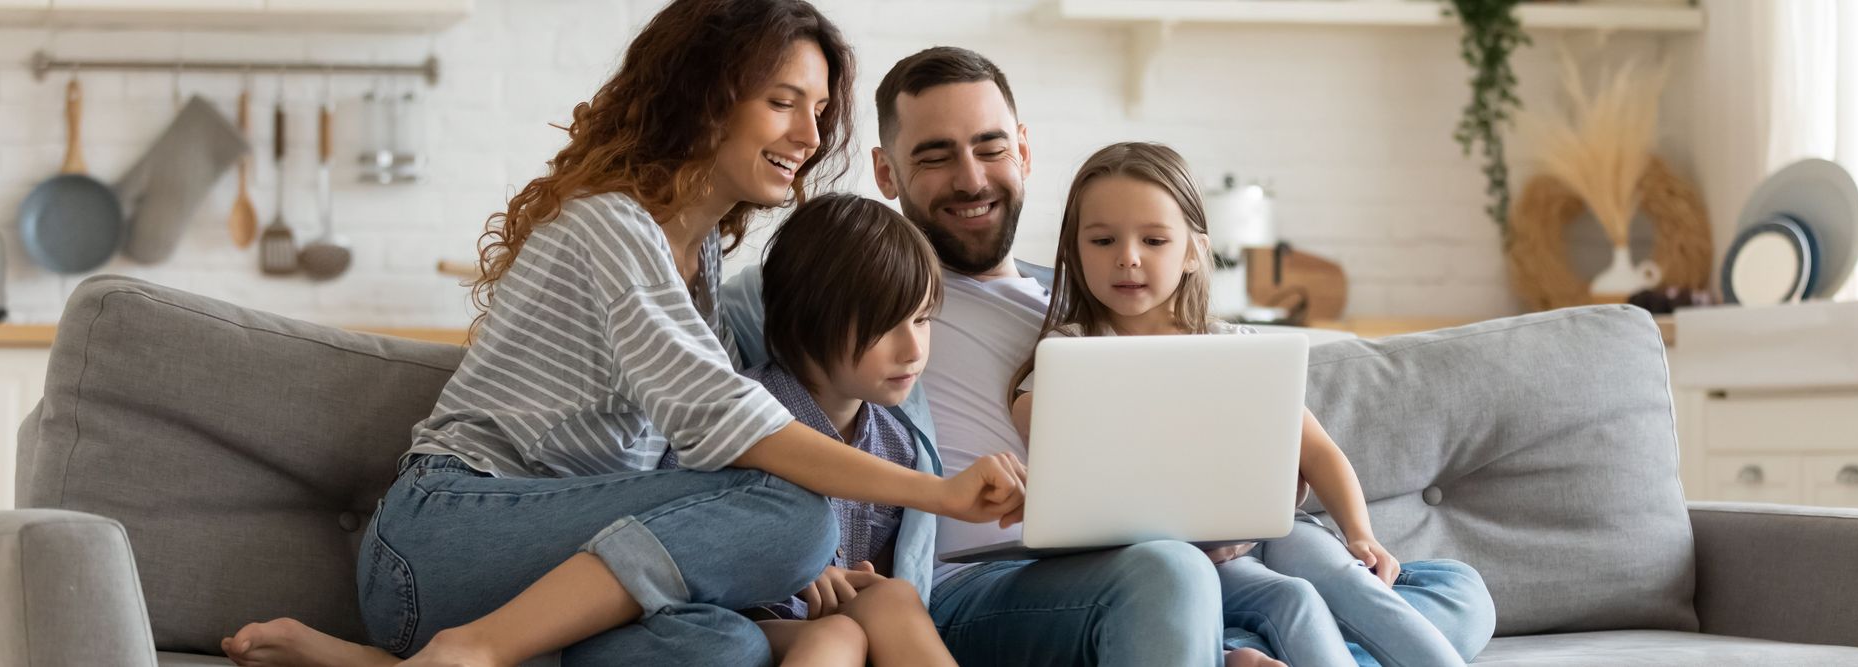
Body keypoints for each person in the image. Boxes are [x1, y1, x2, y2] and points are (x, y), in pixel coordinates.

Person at [218, 3, 1023, 666]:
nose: (810, 137)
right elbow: (727, 425)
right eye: (782, 102)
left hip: (550, 571)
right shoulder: (612, 227)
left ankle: (391, 666)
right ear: (704, 96)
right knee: (799, 516)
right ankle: (476, 650)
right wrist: (940, 490)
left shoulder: (703, 259)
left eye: (817, 111)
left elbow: (704, 444)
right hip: (444, 537)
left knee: (725, 649)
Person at [740, 46, 1502, 666]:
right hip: (984, 583)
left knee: (1460, 589)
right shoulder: (868, 291)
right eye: (936, 156)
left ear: (1024, 151)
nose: (971, 178)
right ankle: (1236, 642)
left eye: (989, 147)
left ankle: (1235, 646)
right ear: (886, 172)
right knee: (1172, 570)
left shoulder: (1097, 298)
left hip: (1169, 562)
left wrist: (1238, 502)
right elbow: (750, 407)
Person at [1007, 141, 1471, 667]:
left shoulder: (1235, 346)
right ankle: (1237, 652)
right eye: (1102, 239)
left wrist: (1361, 536)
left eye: (1154, 239)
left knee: (1350, 579)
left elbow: (1318, 453)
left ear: (1193, 252)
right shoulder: (1069, 359)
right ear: (1073, 249)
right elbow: (1070, 485)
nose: (1128, 256)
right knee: (1291, 599)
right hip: (1186, 559)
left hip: (1275, 528)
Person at [659, 192, 960, 667]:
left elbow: (872, 576)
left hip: (831, 624)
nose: (913, 349)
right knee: (836, 636)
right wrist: (789, 563)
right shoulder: (737, 413)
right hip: (731, 621)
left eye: (922, 319)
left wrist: (858, 581)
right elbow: (674, 531)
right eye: (885, 326)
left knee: (893, 598)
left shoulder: (897, 445)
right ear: (808, 322)